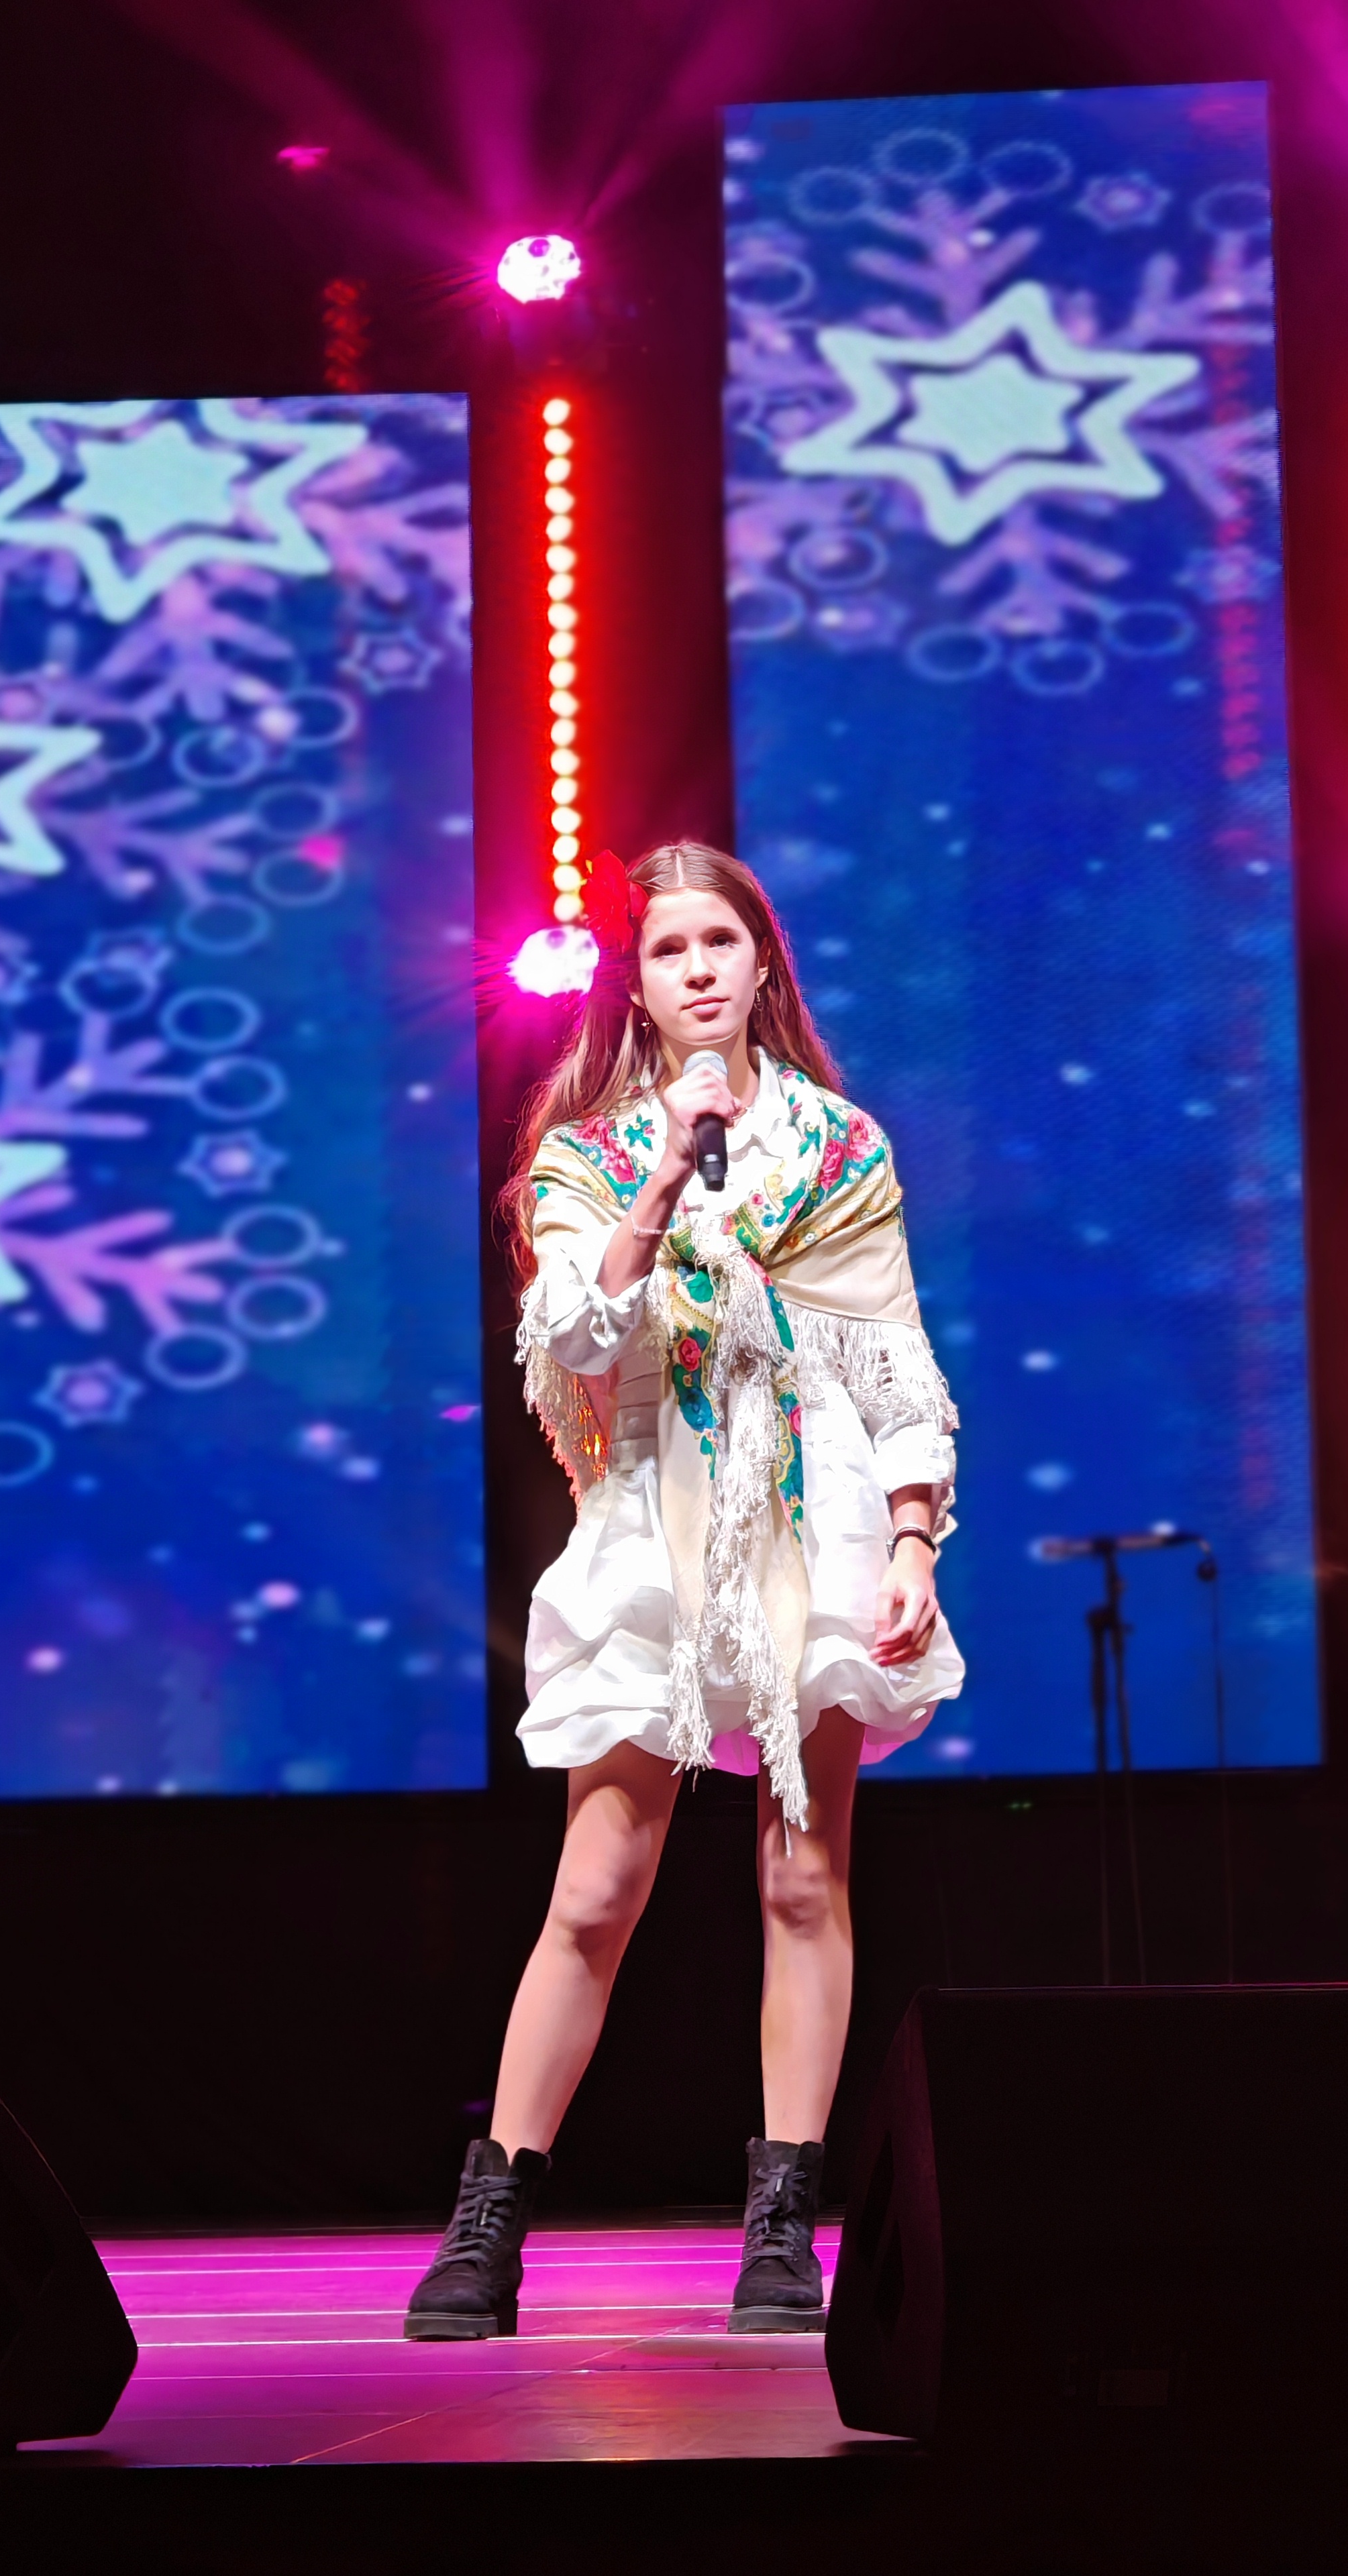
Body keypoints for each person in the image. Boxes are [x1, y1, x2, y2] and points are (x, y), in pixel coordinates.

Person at [405, 839, 963, 2341]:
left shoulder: (840, 1147)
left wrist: (913, 1537)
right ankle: (490, 2218)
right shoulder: (584, 1155)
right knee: (596, 1885)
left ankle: (782, 2223)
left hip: (817, 1517)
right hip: (653, 1515)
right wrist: (664, 1172)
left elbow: (889, 1351)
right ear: (638, 986)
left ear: (761, 964)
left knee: (802, 1877)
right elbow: (574, 1340)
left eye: (721, 941)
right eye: (670, 949)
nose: (699, 968)